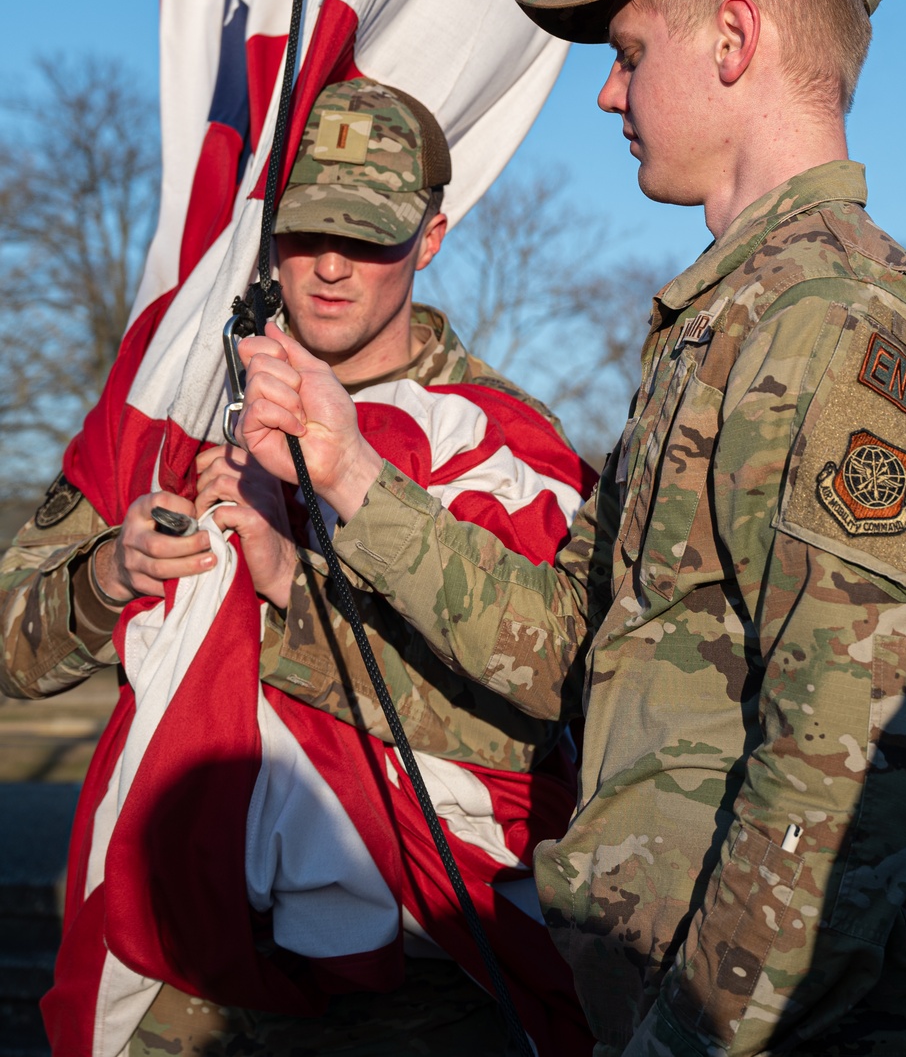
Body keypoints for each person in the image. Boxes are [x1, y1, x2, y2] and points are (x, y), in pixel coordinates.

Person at [237, 0, 906, 1057]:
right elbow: (566, 646)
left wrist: (693, 1039)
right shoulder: (726, 325)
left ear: (733, 40)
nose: (608, 91)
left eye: (631, 53)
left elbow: (840, 763)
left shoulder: (836, 323)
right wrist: (349, 477)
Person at [0, 80, 595, 1056]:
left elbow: (536, 727)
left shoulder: (507, 454)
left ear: (431, 237)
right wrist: (104, 578)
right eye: (305, 231)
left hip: (420, 991)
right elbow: (11, 656)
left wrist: (292, 589)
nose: (327, 267)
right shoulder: (176, 408)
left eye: (367, 239)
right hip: (179, 980)